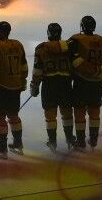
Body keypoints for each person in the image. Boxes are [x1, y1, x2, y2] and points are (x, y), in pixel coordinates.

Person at [68, 15, 102, 149]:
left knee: (79, 111)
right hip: (97, 83)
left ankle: (80, 141)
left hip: (81, 81)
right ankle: (93, 139)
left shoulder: (75, 39)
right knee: (94, 110)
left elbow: (74, 61)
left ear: (82, 26)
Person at [31, 22, 76, 150]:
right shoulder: (68, 46)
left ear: (48, 33)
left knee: (50, 115)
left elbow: (37, 70)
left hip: (49, 84)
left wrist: (34, 85)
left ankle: (52, 141)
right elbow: (74, 65)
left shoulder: (41, 48)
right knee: (66, 112)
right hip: (65, 83)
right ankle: (69, 138)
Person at [0, 21, 28, 157]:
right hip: (15, 86)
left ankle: (2, 148)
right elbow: (24, 67)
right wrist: (22, 81)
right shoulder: (18, 45)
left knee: (0, 117)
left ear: (0, 32)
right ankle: (18, 143)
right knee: (13, 115)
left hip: (0, 87)